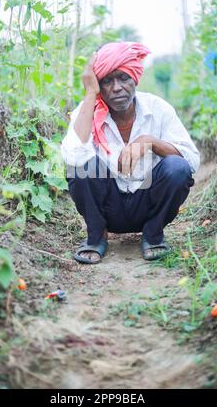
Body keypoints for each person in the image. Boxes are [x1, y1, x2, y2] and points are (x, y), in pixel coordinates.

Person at [61, 42, 200, 264]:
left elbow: (192, 161)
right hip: (108, 208)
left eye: (124, 78)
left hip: (149, 205)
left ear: (135, 79)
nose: (116, 87)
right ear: (99, 85)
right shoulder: (87, 112)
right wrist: (89, 95)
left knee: (177, 167)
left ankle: (153, 235)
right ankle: (96, 237)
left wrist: (150, 142)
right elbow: (73, 159)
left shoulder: (158, 109)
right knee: (83, 166)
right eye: (107, 81)